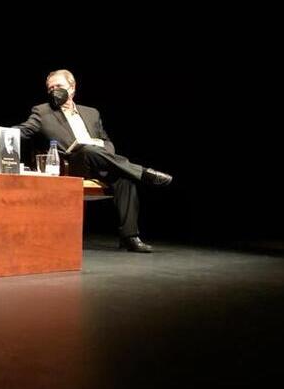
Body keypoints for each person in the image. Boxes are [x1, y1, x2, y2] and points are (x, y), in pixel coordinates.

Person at [15, 69, 173, 253]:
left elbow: (106, 141)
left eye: (59, 86)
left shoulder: (92, 113)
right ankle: (143, 173)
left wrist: (104, 150)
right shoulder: (42, 111)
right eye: (50, 88)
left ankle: (129, 237)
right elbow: (24, 130)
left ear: (72, 88)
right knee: (88, 150)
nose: (54, 91)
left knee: (125, 178)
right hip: (73, 164)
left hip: (99, 162)